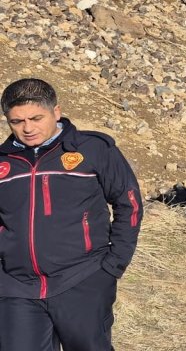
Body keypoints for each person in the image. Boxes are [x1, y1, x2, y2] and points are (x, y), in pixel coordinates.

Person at [0, 78, 143, 350]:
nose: (27, 128)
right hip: (16, 286)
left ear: (56, 112)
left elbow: (129, 203)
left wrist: (113, 264)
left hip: (83, 278)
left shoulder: (92, 149)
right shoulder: (3, 162)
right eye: (16, 122)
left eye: (35, 118)